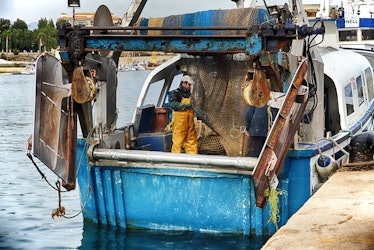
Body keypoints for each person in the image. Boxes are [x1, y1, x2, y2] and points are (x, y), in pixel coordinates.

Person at [169, 75, 198, 154]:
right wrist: (185, 106)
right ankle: (175, 158)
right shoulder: (175, 93)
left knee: (191, 139)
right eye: (188, 84)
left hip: (190, 121)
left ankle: (193, 157)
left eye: (190, 85)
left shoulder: (190, 94)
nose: (189, 86)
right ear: (183, 83)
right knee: (178, 140)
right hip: (179, 122)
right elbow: (173, 104)